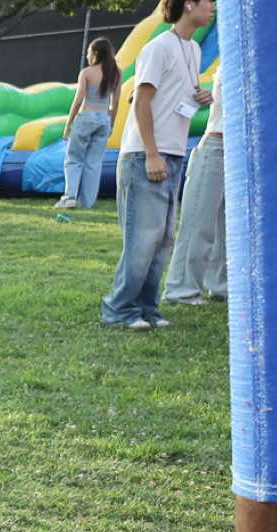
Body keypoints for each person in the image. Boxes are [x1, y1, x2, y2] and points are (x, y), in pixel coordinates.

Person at [103, 0, 216, 331]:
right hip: (145, 154)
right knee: (142, 239)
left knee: (163, 238)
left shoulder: (193, 49)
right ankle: (118, 308)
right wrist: (151, 153)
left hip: (174, 152)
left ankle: (146, 308)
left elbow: (175, 97)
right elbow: (141, 101)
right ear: (189, 4)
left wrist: (199, 97)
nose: (213, 7)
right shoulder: (158, 47)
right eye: (208, 1)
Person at [164, 75, 226, 305]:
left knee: (227, 227)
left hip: (239, 148)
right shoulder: (233, 63)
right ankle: (181, 289)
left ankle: (221, 285)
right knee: (198, 222)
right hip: (216, 145)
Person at [58, 38, 122, 211]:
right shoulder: (116, 73)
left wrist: (68, 124)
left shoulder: (86, 73)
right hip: (104, 120)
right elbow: (115, 103)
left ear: (96, 53)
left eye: (89, 52)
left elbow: (78, 100)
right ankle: (87, 203)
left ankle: (70, 197)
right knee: (94, 163)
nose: (87, 55)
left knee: (74, 159)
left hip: (86, 117)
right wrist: (112, 124)